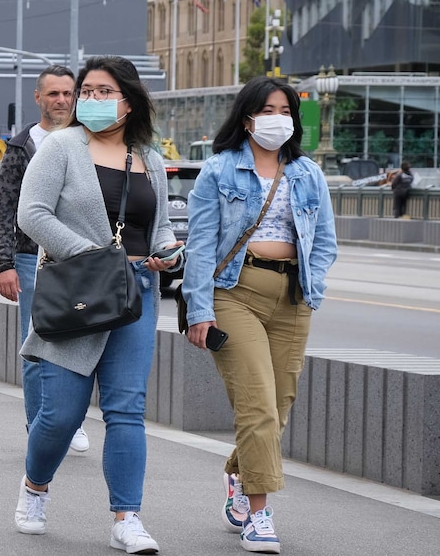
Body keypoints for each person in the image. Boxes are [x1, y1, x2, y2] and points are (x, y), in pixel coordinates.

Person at [14, 56, 183, 554]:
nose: (89, 100)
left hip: (134, 292)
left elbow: (161, 226)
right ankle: (35, 487)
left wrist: (169, 254)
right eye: (85, 91)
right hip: (77, 290)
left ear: (128, 101)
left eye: (101, 92)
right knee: (61, 415)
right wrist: (87, 254)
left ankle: (126, 518)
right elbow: (32, 213)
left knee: (127, 409)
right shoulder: (62, 147)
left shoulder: (148, 156)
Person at [181, 77, 338, 554]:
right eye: (268, 109)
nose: (278, 118)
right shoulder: (220, 169)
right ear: (247, 116)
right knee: (257, 406)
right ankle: (259, 514)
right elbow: (202, 244)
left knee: (280, 403)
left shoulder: (308, 172)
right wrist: (199, 310)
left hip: (292, 297)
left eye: (285, 109)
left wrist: (314, 288)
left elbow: (326, 241)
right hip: (236, 293)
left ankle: (238, 473)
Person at [0, 65, 91, 453]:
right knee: (35, 347)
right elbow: (3, 206)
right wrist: (4, 263)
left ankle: (74, 421)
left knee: (80, 342)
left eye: (68, 93)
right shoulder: (21, 146)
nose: (62, 100)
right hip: (33, 259)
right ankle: (38, 426)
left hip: (83, 259)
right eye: (53, 94)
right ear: (38, 98)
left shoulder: (90, 141)